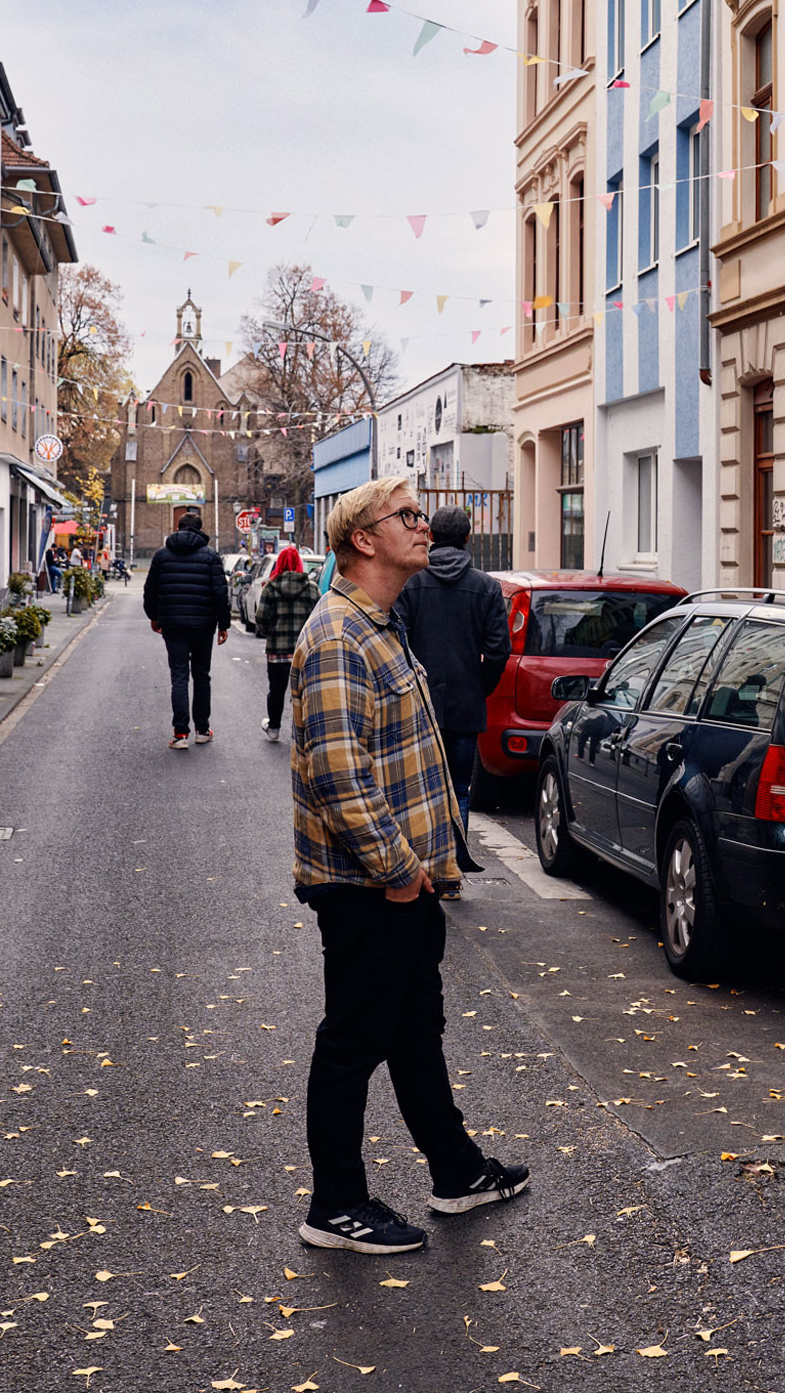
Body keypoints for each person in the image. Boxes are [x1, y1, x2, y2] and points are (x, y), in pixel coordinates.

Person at [290, 477, 528, 1255]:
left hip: (406, 881)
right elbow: (339, 773)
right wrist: (397, 870)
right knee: (353, 1040)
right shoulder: (340, 635)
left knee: (415, 1029)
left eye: (423, 514)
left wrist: (420, 873)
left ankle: (455, 1170)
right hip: (368, 885)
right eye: (407, 515)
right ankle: (335, 1205)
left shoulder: (382, 624)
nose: (424, 526)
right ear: (363, 539)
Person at [398, 506, 509, 885]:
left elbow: (398, 641)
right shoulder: (487, 587)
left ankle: (422, 871)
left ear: (431, 536)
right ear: (467, 538)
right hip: (465, 704)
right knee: (459, 789)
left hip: (418, 703)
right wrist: (480, 686)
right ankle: (450, 874)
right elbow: (498, 650)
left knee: (417, 790)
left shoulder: (411, 582)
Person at [143, 510, 230, 749]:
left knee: (179, 676)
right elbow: (220, 592)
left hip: (173, 623)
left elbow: (150, 589)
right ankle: (202, 730)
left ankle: (180, 733)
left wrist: (154, 616)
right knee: (201, 675)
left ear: (177, 528)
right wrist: (223, 624)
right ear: (200, 530)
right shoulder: (211, 556)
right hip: (203, 625)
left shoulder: (162, 555)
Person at [257, 545, 320, 741]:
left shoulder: (270, 588)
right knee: (304, 693)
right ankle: (303, 732)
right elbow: (319, 619)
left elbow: (261, 619)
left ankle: (274, 728)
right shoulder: (312, 589)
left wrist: (271, 633)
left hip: (277, 652)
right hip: (304, 653)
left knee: (276, 691)